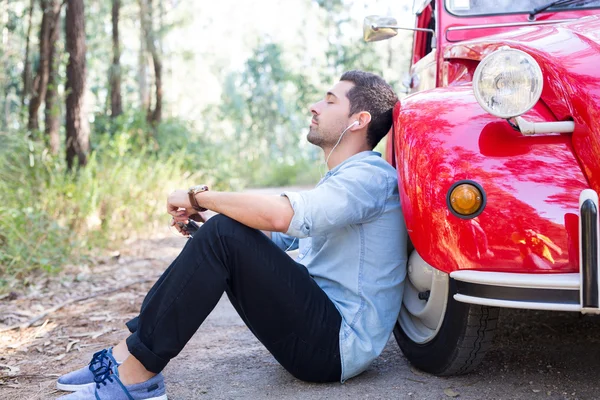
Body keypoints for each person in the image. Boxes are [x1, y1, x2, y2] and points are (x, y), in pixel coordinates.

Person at [56, 70, 408, 400]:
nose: (314, 106)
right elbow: (268, 241)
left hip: (335, 345)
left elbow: (280, 216)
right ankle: (124, 355)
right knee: (223, 230)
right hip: (320, 329)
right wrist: (204, 224)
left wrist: (199, 197)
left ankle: (136, 379)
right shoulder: (343, 179)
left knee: (225, 232)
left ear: (358, 121)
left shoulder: (369, 177)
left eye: (330, 101)